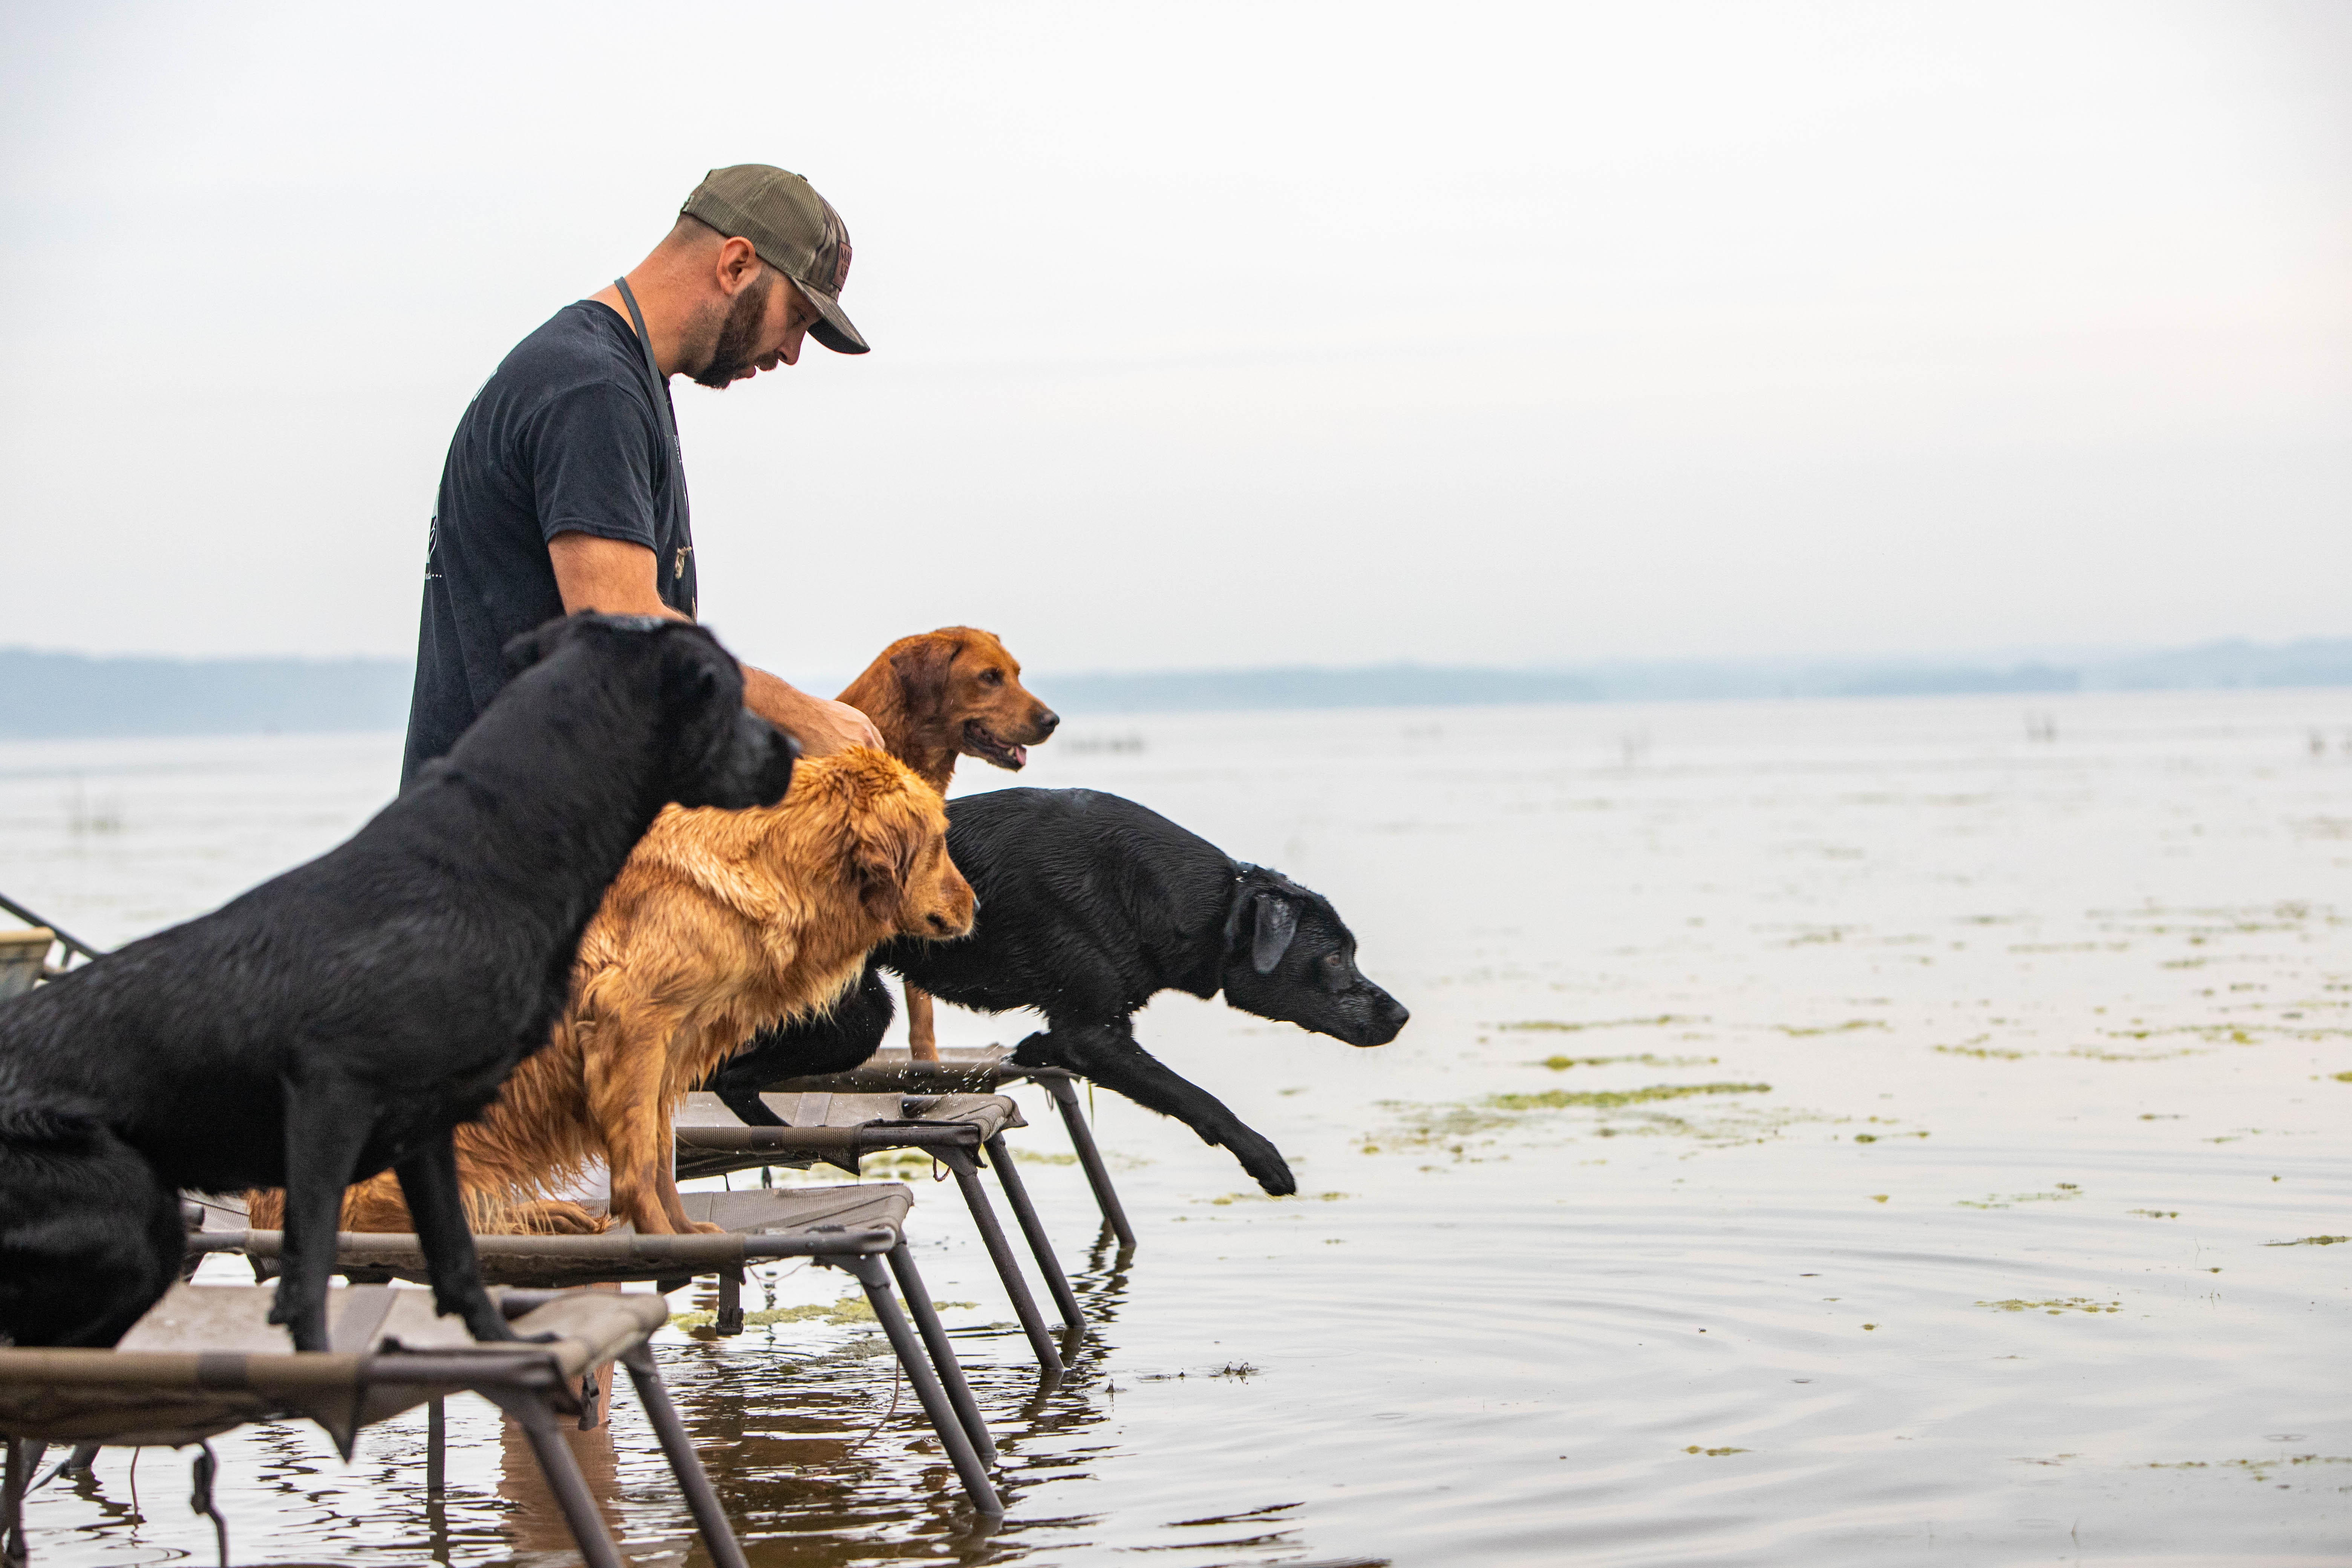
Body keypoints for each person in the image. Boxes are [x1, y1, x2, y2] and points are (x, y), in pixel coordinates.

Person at [400, 163, 884, 787]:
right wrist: (803, 716)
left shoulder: (615, 377)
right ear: (736, 265)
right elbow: (625, 622)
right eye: (796, 318)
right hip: (505, 850)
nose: (793, 352)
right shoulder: (592, 388)